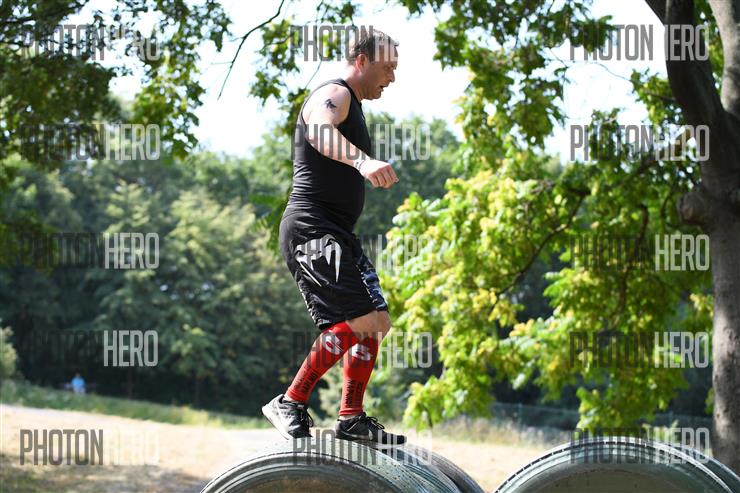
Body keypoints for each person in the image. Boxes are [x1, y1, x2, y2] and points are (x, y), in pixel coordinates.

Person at [262, 28, 405, 448]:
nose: (392, 78)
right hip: (312, 228)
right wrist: (362, 162)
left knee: (376, 323)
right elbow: (319, 131)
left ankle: (351, 418)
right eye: (387, 67)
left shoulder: (353, 103)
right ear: (362, 60)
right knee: (360, 320)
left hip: (337, 232)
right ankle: (289, 402)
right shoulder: (334, 92)